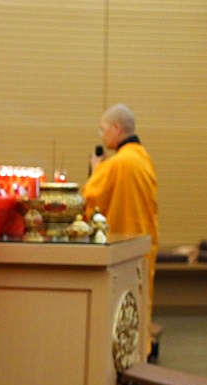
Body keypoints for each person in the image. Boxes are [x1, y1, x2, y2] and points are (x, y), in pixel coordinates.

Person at [82, 103, 159, 336]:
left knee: (120, 305)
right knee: (139, 300)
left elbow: (89, 199)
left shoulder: (118, 163)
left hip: (122, 243)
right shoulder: (143, 157)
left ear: (116, 128)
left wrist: (96, 171)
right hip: (144, 241)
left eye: (103, 129)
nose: (102, 135)